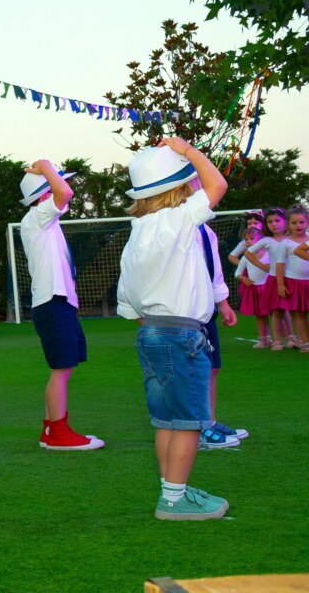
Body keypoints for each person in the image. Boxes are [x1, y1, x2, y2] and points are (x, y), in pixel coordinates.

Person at [117, 138, 229, 521]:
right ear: (179, 188)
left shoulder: (136, 232)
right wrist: (187, 150)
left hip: (150, 333)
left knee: (166, 420)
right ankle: (173, 500)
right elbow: (217, 185)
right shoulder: (179, 219)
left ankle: (172, 489)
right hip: (182, 334)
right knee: (188, 423)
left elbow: (127, 301)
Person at [18, 160, 104, 451]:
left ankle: (51, 430)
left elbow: (62, 192)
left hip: (58, 302)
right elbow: (64, 193)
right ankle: (58, 433)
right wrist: (45, 166)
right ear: (44, 194)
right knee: (61, 369)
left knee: (62, 368)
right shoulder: (38, 216)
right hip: (52, 303)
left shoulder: (44, 220)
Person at [196, 215, 244, 449]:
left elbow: (213, 268)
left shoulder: (205, 229)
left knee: (212, 367)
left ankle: (209, 421)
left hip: (207, 308)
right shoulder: (175, 226)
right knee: (195, 370)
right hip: (187, 309)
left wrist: (222, 303)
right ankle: (196, 428)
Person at [250, 208, 293, 349]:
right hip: (275, 279)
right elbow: (248, 253)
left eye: (277, 220)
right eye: (270, 222)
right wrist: (262, 266)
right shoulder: (267, 240)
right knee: (277, 310)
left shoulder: (291, 238)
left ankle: (295, 338)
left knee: (296, 310)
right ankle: (277, 341)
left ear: (285, 221)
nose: (274, 224)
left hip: (293, 278)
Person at [235, 227, 272, 348]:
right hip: (255, 289)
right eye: (246, 239)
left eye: (251, 239)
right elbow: (237, 272)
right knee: (260, 315)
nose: (248, 241)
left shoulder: (268, 254)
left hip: (269, 288)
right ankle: (263, 339)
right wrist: (243, 278)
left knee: (275, 314)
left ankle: (281, 339)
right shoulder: (245, 257)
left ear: (260, 240)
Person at [280, 205, 309, 351]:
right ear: (288, 224)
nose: (298, 225)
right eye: (294, 222)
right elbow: (280, 265)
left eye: (301, 222)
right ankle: (306, 342)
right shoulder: (285, 243)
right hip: (294, 282)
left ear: (307, 222)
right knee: (299, 313)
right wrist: (280, 284)